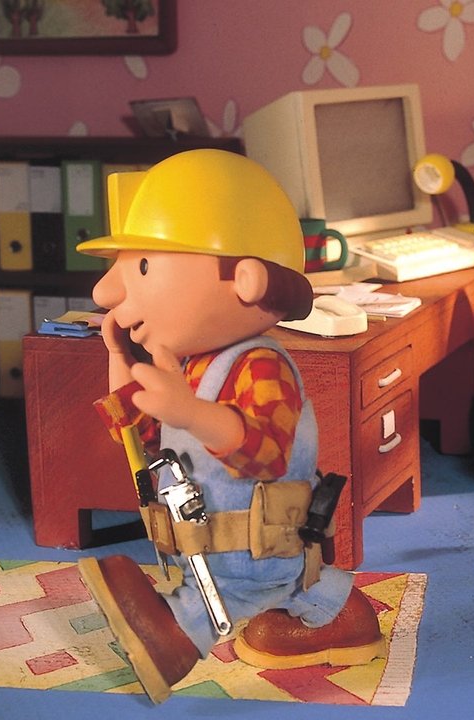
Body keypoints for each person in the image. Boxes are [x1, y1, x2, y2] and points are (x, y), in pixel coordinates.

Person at [74, 149, 384, 703]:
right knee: (286, 591)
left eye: (140, 267)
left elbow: (265, 453)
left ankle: (175, 641)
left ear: (245, 278)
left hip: (253, 551)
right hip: (207, 550)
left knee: (228, 600)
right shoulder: (190, 367)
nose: (105, 294)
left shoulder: (260, 365)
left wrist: (189, 412)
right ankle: (338, 617)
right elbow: (136, 433)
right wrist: (119, 358)